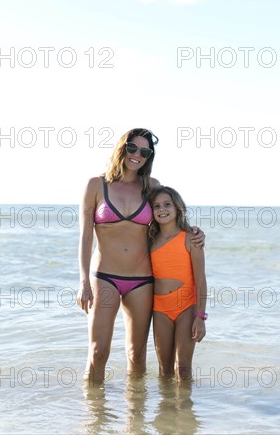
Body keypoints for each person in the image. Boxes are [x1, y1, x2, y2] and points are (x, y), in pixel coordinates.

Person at [76, 128, 204, 384]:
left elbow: (169, 218)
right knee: (98, 352)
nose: (137, 155)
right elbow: (85, 236)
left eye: (145, 152)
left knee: (136, 355)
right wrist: (83, 282)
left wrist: (195, 232)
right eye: (133, 148)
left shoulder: (151, 186)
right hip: (105, 278)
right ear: (122, 148)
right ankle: (93, 418)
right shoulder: (95, 185)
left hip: (142, 280)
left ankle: (136, 420)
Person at [149, 186, 207, 381]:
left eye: (167, 204)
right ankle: (166, 410)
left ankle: (185, 410)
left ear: (177, 208)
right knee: (164, 370)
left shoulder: (191, 238)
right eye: (156, 206)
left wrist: (200, 316)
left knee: (182, 369)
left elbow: (200, 279)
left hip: (186, 307)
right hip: (160, 308)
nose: (161, 209)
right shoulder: (150, 240)